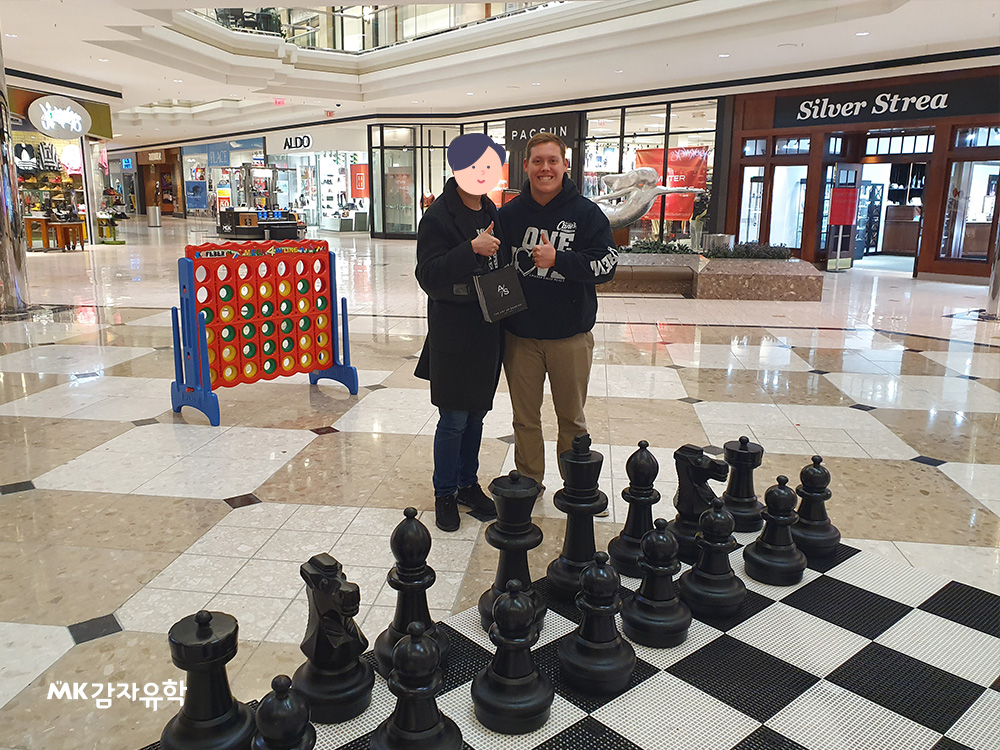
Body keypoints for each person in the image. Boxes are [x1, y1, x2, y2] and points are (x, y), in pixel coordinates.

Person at [499, 132, 617, 487]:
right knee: (525, 420)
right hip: (521, 338)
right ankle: (529, 483)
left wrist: (559, 260)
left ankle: (578, 488)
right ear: (526, 166)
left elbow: (607, 266)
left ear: (565, 165)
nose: (545, 168)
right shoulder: (509, 215)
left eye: (553, 161)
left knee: (572, 420)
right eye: (538, 161)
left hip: (570, 338)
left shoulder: (587, 213)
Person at [415, 133, 508, 531]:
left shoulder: (490, 209)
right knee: (453, 419)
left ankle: (468, 484)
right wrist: (470, 249)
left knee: (476, 417)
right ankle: (445, 493)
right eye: (474, 166)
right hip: (453, 334)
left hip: (488, 331)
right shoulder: (438, 216)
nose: (482, 173)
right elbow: (428, 274)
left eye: (489, 166)